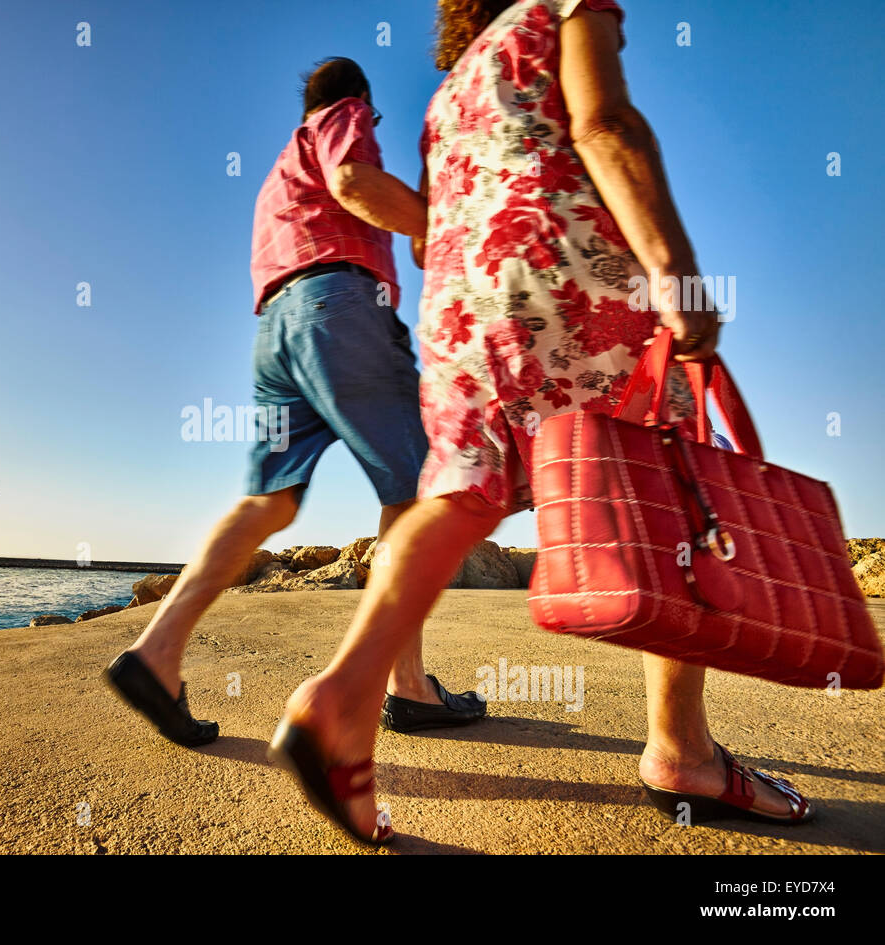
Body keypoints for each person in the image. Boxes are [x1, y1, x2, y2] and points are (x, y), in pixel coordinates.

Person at [268, 0, 812, 846]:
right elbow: (604, 125)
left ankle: (341, 696)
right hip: (569, 268)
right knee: (667, 480)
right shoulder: (565, 5)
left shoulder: (447, 90)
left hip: (465, 297)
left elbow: (430, 225)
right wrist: (675, 268)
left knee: (461, 494)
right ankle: (683, 752)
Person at [105, 57, 486, 747]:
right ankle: (401, 684)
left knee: (268, 500)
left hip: (276, 327)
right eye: (371, 118)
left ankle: (155, 653)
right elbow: (354, 180)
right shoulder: (339, 123)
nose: (369, 127)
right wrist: (437, 225)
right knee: (419, 487)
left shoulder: (279, 168)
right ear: (361, 105)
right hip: (341, 307)